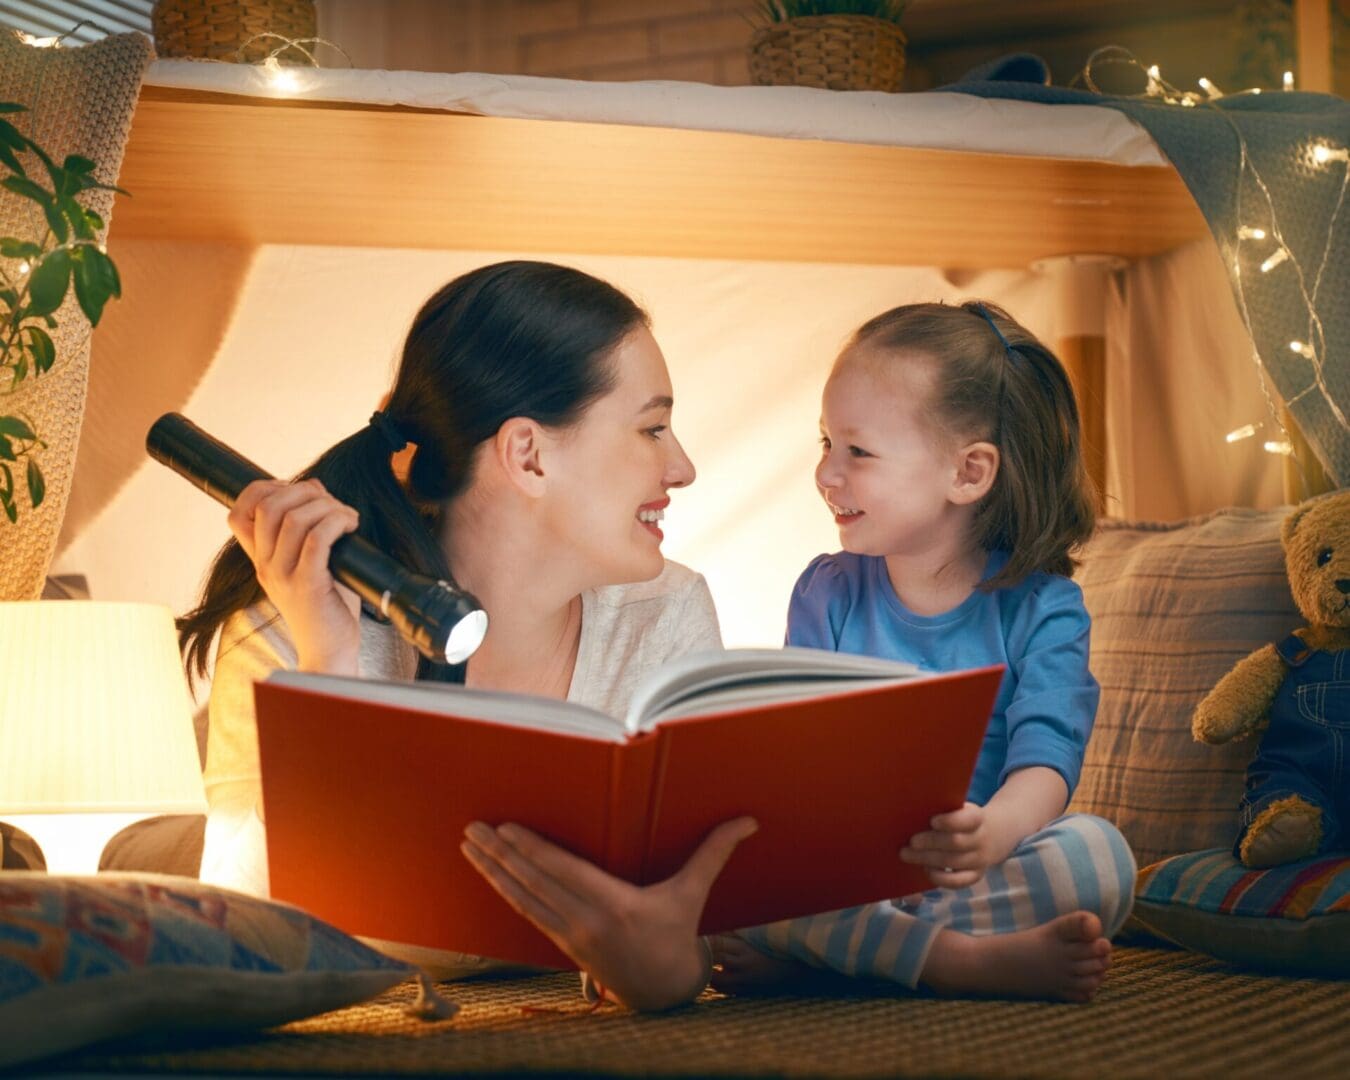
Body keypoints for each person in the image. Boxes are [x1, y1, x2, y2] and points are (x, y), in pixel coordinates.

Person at [178, 260, 756, 1011]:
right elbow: (249, 939)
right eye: (651, 428)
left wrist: (663, 971)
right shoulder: (289, 624)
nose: (682, 467)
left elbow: (695, 932)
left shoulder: (666, 614)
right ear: (528, 455)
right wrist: (329, 670)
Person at [709, 301, 1136, 1004]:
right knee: (722, 874)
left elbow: (1047, 759)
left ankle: (845, 958)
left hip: (976, 869)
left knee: (1099, 858)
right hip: (845, 872)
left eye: (858, 451)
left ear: (968, 473)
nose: (825, 473)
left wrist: (992, 834)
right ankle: (955, 961)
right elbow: (797, 762)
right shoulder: (826, 592)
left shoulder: (1044, 610)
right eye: (825, 442)